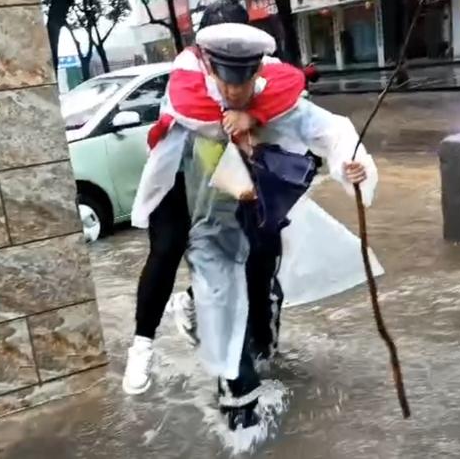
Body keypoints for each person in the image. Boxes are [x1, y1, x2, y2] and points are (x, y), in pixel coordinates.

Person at [129, 22, 377, 431]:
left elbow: (332, 131)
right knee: (222, 302)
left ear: (257, 73)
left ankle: (263, 362)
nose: (231, 92)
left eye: (241, 84)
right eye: (224, 82)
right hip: (211, 225)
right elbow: (170, 149)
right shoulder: (188, 102)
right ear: (210, 70)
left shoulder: (281, 102)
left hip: (259, 217)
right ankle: (239, 413)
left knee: (261, 294)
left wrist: (350, 164)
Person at [122, 0, 310, 401]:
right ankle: (142, 344)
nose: (232, 64)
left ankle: (257, 347)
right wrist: (244, 115)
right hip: (176, 177)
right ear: (204, 49)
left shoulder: (259, 69)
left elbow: (293, 83)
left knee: (257, 255)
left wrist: (254, 115)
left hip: (227, 181)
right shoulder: (188, 69)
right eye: (222, 54)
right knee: (168, 248)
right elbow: (198, 109)